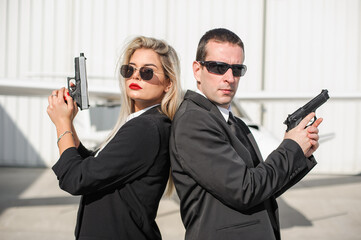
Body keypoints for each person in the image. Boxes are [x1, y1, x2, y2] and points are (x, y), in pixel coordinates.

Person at [169, 28, 323, 240]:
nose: (230, 78)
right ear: (197, 70)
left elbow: (263, 188)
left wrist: (300, 153)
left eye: (237, 69)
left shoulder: (234, 122)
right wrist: (291, 147)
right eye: (218, 67)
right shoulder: (193, 121)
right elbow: (246, 189)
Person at [47, 36, 181, 240]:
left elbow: (76, 179)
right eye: (130, 69)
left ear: (168, 84)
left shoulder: (146, 128)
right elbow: (98, 167)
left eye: (147, 72)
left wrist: (62, 124)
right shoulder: (145, 122)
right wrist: (70, 124)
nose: (135, 76)